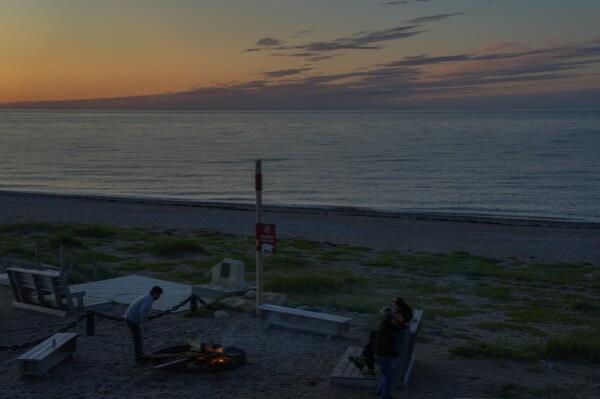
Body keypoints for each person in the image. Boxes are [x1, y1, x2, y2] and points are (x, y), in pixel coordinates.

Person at [124, 286, 163, 362]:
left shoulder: (147, 296)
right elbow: (142, 311)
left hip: (129, 318)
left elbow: (143, 311)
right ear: (154, 293)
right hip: (131, 320)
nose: (159, 297)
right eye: (159, 295)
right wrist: (144, 325)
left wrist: (145, 318)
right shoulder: (149, 300)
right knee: (137, 338)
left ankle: (139, 355)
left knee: (138, 338)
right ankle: (138, 357)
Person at [374, 307, 405, 399]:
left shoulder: (386, 324)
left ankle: (380, 391)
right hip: (384, 355)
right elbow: (389, 341)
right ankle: (385, 396)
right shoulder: (386, 327)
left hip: (382, 355)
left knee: (386, 375)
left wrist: (399, 322)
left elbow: (398, 326)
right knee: (389, 376)